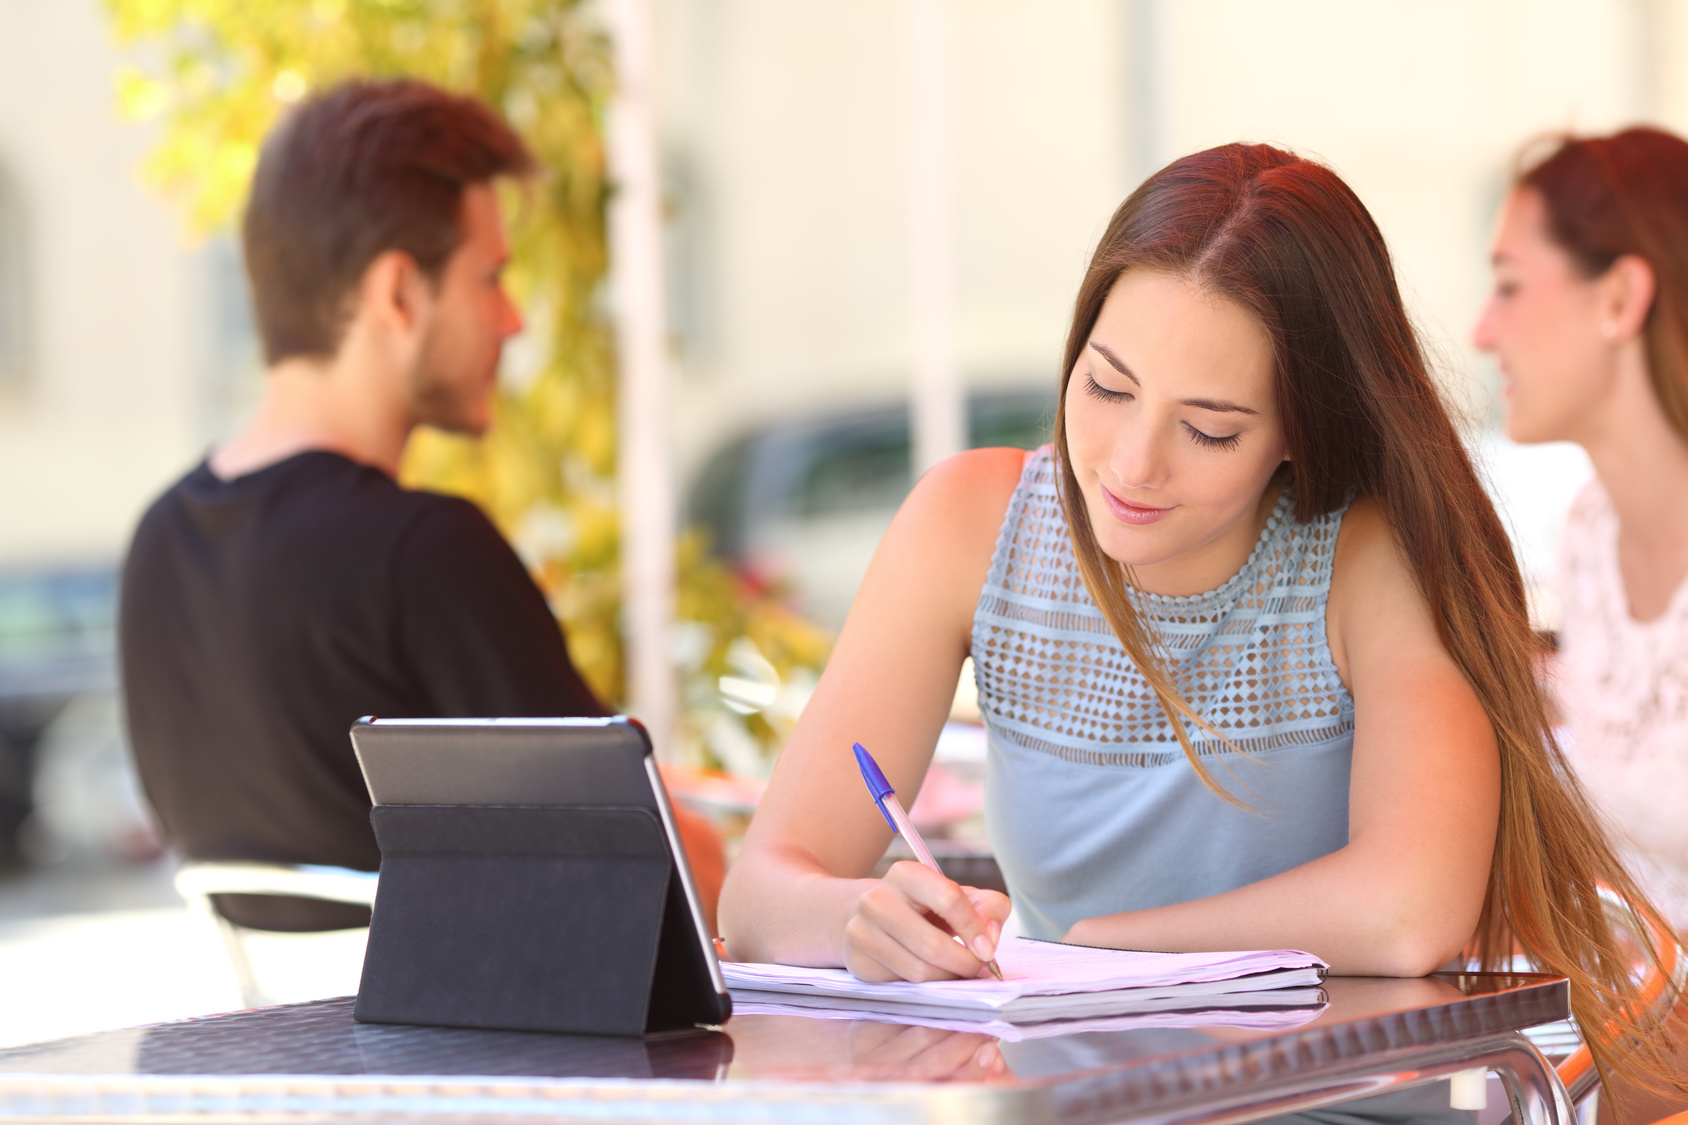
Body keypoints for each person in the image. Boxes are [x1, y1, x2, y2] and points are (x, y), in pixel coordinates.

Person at [719, 142, 1680, 1095]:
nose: (1133, 464)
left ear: (1301, 430)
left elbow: (1409, 910)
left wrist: (1099, 949)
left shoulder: (1367, 558)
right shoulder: (968, 525)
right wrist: (859, 917)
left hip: (1331, 1106)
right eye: (1106, 386)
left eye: (1209, 428)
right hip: (1067, 1104)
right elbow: (760, 893)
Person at [120, 78, 722, 934]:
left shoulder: (159, 543)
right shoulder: (423, 551)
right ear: (399, 294)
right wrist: (742, 846)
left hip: (260, 1051)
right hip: (465, 1055)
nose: (513, 320)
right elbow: (658, 863)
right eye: (491, 278)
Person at [1475, 128, 1688, 941]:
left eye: (1508, 286)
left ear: (1620, 298)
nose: (1482, 330)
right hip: (1633, 1042)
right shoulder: (1591, 535)